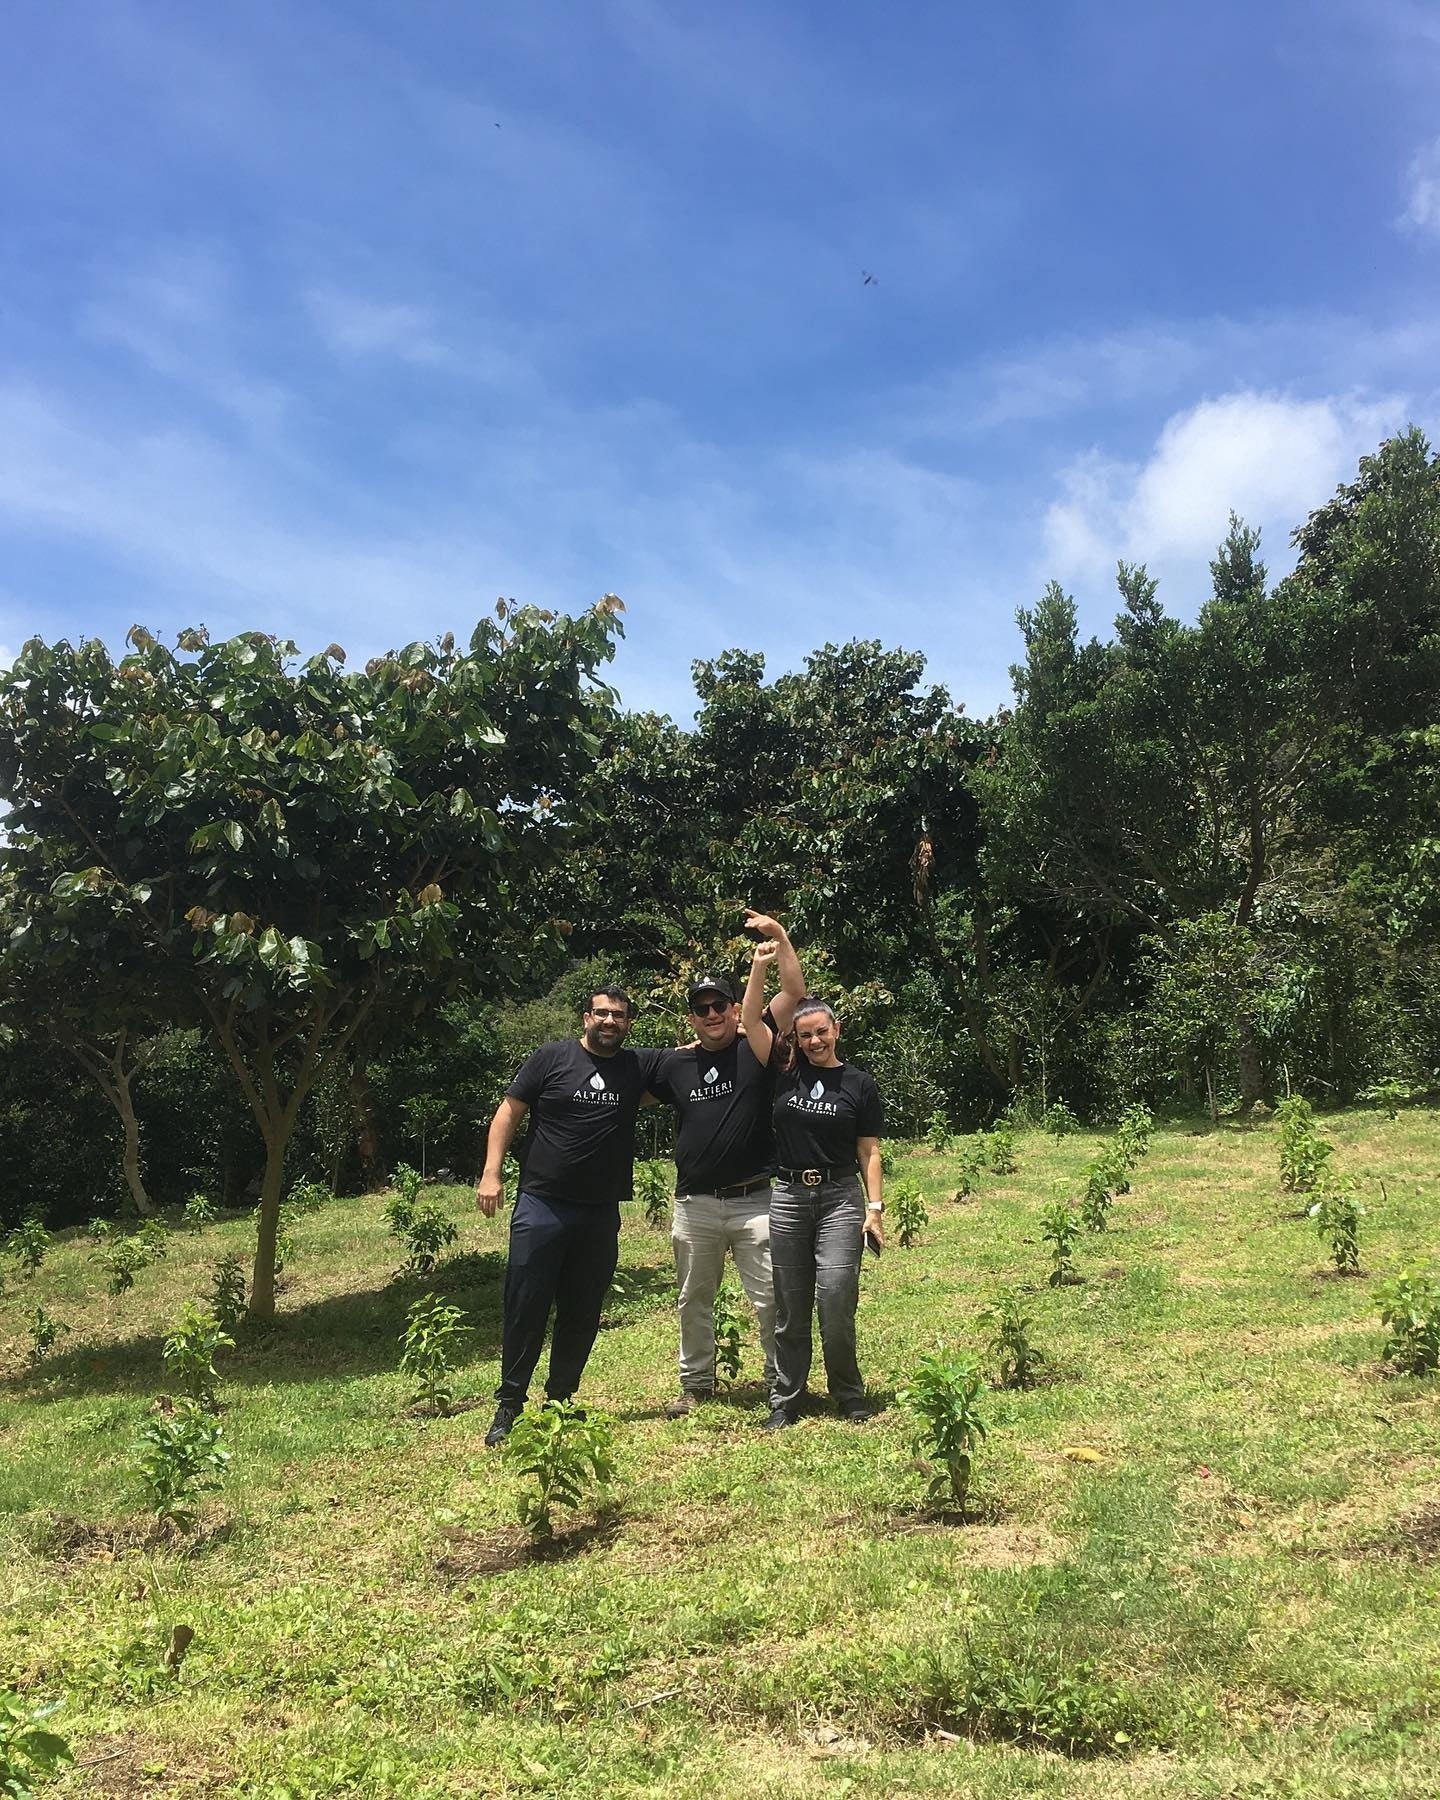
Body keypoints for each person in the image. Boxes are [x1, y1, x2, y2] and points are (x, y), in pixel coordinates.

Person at [475, 986, 665, 1446]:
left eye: (618, 1015)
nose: (609, 1021)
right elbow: (508, 1112)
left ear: (628, 1023)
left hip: (600, 1211)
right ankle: (509, 1405)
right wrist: (491, 1172)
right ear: (585, 1018)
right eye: (601, 1013)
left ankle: (560, 1399)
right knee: (526, 1305)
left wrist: (735, 1029)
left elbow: (691, 1055)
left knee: (582, 1310)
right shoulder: (551, 1058)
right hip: (542, 1203)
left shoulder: (636, 1068)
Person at [645, 911, 806, 1416]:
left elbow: (794, 996)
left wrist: (777, 938)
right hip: (695, 1203)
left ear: (736, 1009)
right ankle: (695, 1384)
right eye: (702, 1008)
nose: (711, 1014)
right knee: (693, 1299)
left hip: (756, 1198)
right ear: (691, 1017)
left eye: (719, 1005)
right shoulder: (673, 1063)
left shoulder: (755, 1049)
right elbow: (623, 1089)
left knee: (769, 1298)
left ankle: (780, 1382)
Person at [740, 972, 885, 1430]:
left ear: (836, 1029)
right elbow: (749, 1016)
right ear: (796, 1040)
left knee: (837, 1298)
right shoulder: (782, 1071)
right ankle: (786, 1397)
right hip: (786, 1197)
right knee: (790, 1303)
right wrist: (761, 964)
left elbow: (869, 1151)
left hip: (840, 1198)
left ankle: (847, 1392)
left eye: (822, 1031)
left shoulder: (859, 1084)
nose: (815, 1040)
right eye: (806, 1035)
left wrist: (875, 1210)